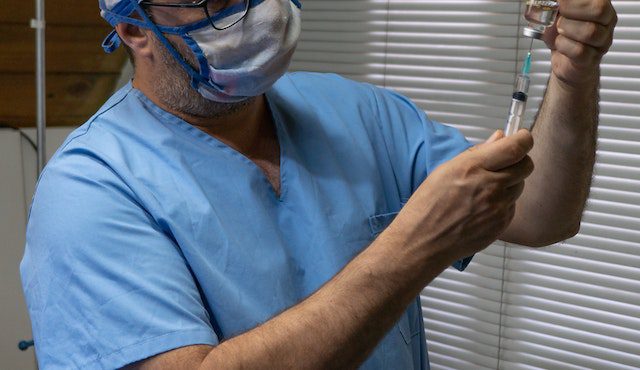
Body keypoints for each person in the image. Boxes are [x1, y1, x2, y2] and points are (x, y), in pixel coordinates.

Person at [20, 0, 616, 368]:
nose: (257, 13)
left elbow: (542, 213)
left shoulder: (355, 112)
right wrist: (415, 246)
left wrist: (574, 70)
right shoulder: (91, 191)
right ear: (133, 29)